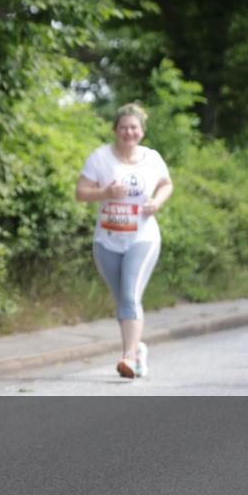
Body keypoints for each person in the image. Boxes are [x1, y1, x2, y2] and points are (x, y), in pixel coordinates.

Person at [75, 103, 173, 379]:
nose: (129, 132)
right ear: (115, 130)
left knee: (130, 295)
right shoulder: (100, 158)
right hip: (106, 240)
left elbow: (167, 184)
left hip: (142, 237)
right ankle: (137, 349)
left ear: (141, 131)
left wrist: (157, 202)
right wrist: (105, 192)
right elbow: (81, 192)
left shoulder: (152, 158)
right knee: (123, 301)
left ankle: (128, 357)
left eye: (134, 127)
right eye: (123, 127)